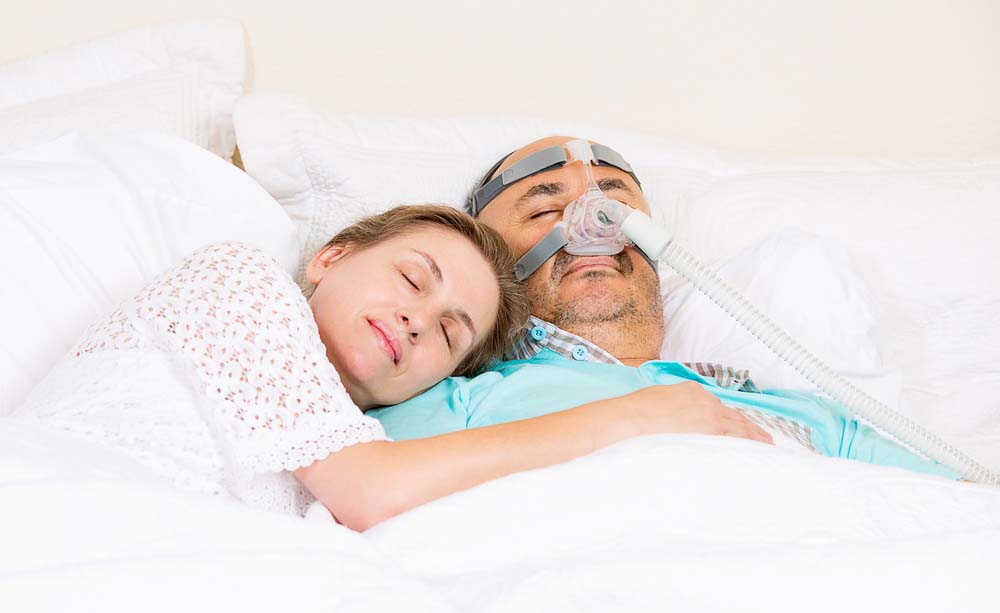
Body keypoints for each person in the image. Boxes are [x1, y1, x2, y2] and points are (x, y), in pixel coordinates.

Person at [9, 205, 773, 532]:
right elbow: (373, 487)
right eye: (413, 279)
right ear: (331, 255)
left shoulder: (345, 438)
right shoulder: (238, 279)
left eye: (450, 332)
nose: (418, 319)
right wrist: (635, 414)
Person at [368, 137, 960, 481]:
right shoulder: (448, 399)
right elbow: (365, 488)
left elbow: (958, 515)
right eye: (546, 209)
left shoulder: (816, 417)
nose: (594, 223)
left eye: (618, 206)